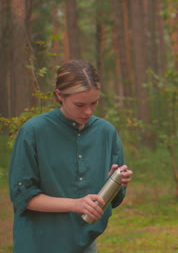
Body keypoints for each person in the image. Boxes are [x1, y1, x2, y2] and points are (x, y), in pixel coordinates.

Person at [8, 60, 133, 253]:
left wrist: (115, 184)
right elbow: (22, 197)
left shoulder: (105, 132)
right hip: (38, 243)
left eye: (94, 103)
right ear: (59, 95)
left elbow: (113, 201)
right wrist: (75, 204)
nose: (88, 111)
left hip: (84, 243)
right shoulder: (33, 132)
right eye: (80, 104)